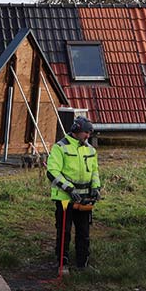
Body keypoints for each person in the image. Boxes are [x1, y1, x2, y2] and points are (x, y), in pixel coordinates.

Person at [46, 116, 101, 274]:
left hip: (84, 199)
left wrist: (96, 187)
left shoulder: (90, 149)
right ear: (76, 131)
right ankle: (62, 264)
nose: (88, 136)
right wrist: (69, 189)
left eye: (89, 133)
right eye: (86, 132)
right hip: (65, 199)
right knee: (64, 231)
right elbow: (52, 172)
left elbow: (95, 171)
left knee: (84, 232)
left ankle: (83, 263)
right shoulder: (60, 147)